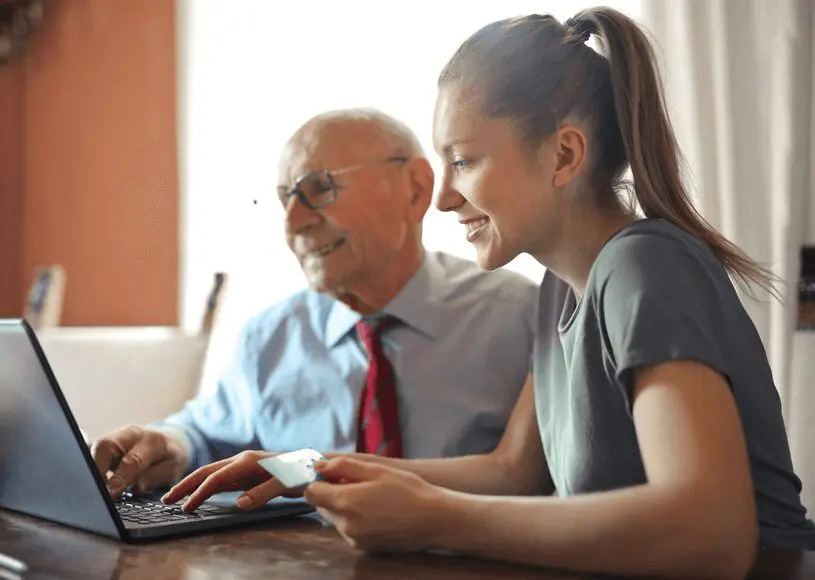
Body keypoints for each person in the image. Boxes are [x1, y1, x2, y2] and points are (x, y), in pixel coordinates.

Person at [163, 7, 815, 579]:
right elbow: (513, 471)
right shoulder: (560, 290)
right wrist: (302, 469)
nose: (443, 197)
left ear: (562, 156)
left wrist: (434, 520)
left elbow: (711, 536)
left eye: (465, 161)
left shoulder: (644, 267)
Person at [91, 108, 538, 500]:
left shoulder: (521, 318)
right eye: (286, 198)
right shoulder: (270, 336)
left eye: (318, 189)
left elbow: (535, 479)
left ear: (416, 189)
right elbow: (208, 434)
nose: (294, 224)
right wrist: (171, 445)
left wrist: (304, 469)